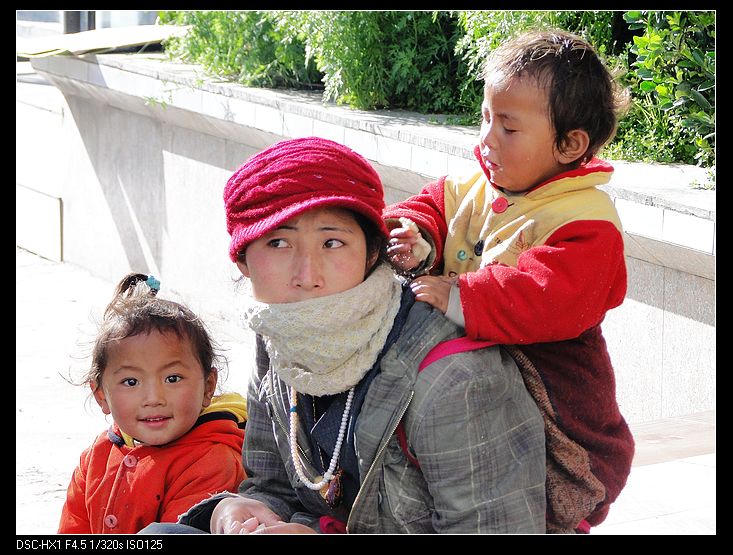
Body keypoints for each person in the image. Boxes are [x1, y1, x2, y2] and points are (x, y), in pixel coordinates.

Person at [140, 136, 546, 534]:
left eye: (332, 242)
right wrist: (237, 511)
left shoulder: (453, 378)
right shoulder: (280, 333)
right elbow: (273, 486)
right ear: (243, 261)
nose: (307, 276)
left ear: (373, 252)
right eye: (278, 243)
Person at [383, 29, 635, 532]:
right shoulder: (477, 186)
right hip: (472, 386)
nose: (487, 138)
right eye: (485, 117)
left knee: (540, 497)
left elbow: (548, 296)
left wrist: (460, 294)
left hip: (556, 404)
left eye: (509, 127)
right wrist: (416, 236)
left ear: (569, 144)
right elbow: (428, 205)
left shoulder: (586, 220)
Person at [58, 273, 248, 534]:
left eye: (172, 378)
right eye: (131, 382)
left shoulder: (213, 462)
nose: (154, 398)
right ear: (101, 395)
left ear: (208, 387)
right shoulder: (95, 458)